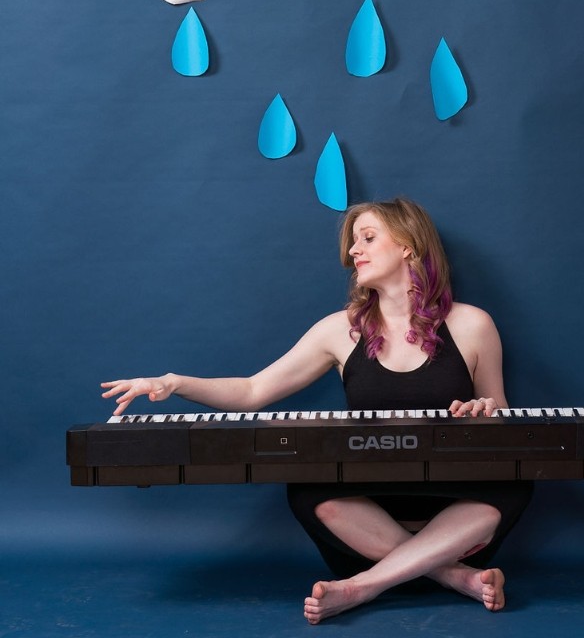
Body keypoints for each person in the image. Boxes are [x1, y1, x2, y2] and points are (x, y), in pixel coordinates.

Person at [101, 198, 532, 624]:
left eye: (367, 238)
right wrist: (173, 383)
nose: (352, 253)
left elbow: (501, 419)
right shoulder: (338, 330)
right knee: (307, 488)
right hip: (369, 513)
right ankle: (455, 577)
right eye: (352, 243)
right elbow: (253, 390)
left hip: (455, 507)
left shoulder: (474, 324)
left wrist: (487, 410)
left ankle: (364, 586)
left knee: (516, 482)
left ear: (408, 245)